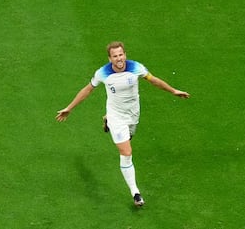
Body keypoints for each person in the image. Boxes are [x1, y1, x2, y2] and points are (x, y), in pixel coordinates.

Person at [56, 41, 190, 206]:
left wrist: (173, 91)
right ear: (109, 58)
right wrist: (69, 108)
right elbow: (87, 90)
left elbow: (153, 80)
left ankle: (107, 122)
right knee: (126, 152)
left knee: (130, 137)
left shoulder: (136, 68)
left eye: (121, 55)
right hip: (116, 115)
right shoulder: (102, 73)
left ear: (125, 54)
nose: (119, 59)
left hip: (133, 114)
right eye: (115, 56)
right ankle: (136, 193)